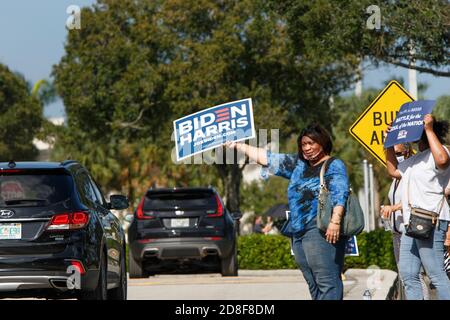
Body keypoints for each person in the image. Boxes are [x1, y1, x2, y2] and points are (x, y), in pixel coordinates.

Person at [226, 123, 349, 300]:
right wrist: (238, 145)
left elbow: (340, 192)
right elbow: (267, 158)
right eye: (304, 144)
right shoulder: (298, 165)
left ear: (323, 143)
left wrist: (335, 221)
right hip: (298, 231)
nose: (307, 148)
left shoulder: (333, 165)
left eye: (311, 143)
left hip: (320, 228)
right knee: (313, 283)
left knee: (327, 282)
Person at [385, 114, 450, 300]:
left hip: (431, 221)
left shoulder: (441, 151)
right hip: (411, 223)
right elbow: (393, 170)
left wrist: (429, 129)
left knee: (436, 274)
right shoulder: (415, 159)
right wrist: (389, 141)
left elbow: (442, 161)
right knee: (408, 274)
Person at [380, 143, 430, 299]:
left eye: (399, 153)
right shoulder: (397, 176)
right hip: (397, 232)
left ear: (407, 151)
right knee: (404, 275)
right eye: (393, 153)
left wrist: (394, 208)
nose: (396, 156)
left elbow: (416, 198)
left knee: (416, 275)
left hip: (411, 230)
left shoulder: (411, 172)